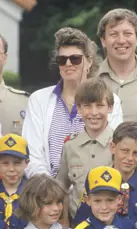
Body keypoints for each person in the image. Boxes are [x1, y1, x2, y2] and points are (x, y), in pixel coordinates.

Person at [23, 27, 123, 178]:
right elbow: (32, 153)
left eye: (75, 58)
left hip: (96, 189)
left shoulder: (111, 99)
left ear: (89, 61)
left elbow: (115, 149)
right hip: (48, 190)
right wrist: (49, 188)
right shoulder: (38, 100)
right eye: (62, 60)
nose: (68, 64)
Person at [57, 78, 117, 222]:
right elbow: (61, 189)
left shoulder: (120, 144)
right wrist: (65, 223)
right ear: (78, 108)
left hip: (113, 224)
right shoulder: (70, 146)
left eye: (100, 105)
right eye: (87, 106)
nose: (94, 112)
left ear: (110, 107)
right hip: (78, 224)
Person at [73, 121, 137, 226]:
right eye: (124, 150)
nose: (129, 158)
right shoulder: (97, 183)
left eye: (136, 153)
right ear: (113, 148)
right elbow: (81, 224)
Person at [0, 133, 29, 229]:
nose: (11, 169)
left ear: (27, 163)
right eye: (5, 163)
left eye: (17, 163)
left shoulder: (33, 194)